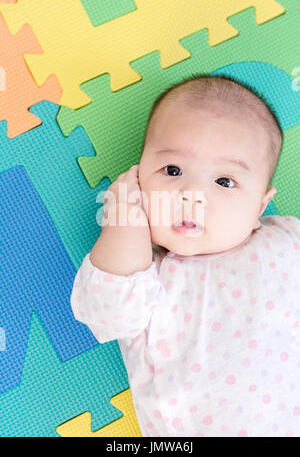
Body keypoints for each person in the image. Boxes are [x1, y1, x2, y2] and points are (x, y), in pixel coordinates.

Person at [70, 74, 300, 437]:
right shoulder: (146, 275)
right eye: (172, 170)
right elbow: (106, 312)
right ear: (138, 178)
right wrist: (124, 222)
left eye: (225, 181)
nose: (192, 193)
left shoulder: (287, 238)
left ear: (261, 204)